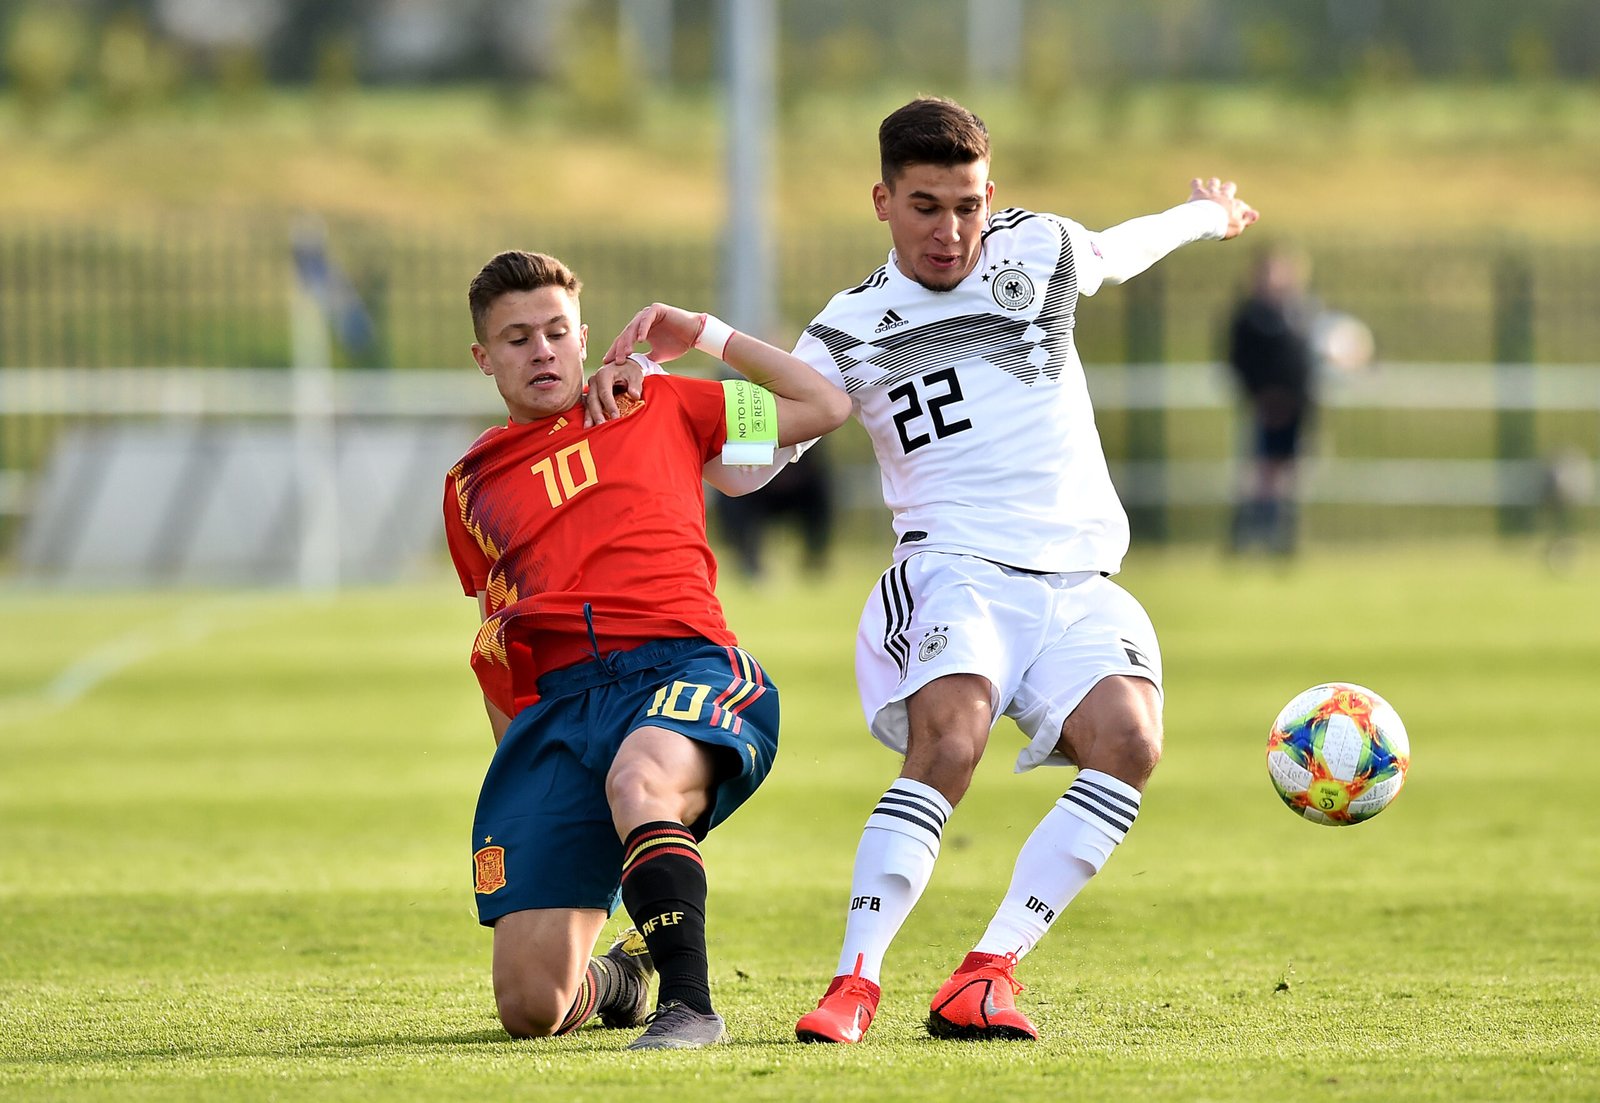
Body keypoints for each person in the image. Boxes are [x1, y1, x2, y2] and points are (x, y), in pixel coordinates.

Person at [775, 96, 1256, 1043]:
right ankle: (852, 984)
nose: (950, 232)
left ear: (991, 194)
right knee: (951, 741)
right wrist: (669, 415)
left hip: (1077, 578)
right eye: (924, 207)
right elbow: (759, 452)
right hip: (955, 567)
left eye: (967, 205)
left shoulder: (1037, 251)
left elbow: (1122, 247)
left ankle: (987, 972)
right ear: (881, 201)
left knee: (1130, 741)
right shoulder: (847, 327)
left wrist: (1206, 214)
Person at [444, 250, 850, 1050]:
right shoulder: (471, 484)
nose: (542, 351)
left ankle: (691, 1008)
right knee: (530, 1003)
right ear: (484, 358)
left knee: (640, 775)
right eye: (517, 338)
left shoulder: (659, 403)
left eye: (557, 331)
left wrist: (701, 331)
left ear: (583, 336)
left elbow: (823, 403)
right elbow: (502, 636)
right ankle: (622, 979)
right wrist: (527, 775)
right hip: (562, 710)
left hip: (684, 665)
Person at [1226, 246, 1318, 556]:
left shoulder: (1300, 311)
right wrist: (1264, 397)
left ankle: (1282, 542)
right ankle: (1244, 541)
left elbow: (1306, 361)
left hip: (1297, 408)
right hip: (1264, 409)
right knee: (1258, 476)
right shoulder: (1250, 317)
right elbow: (1240, 362)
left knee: (1289, 476)